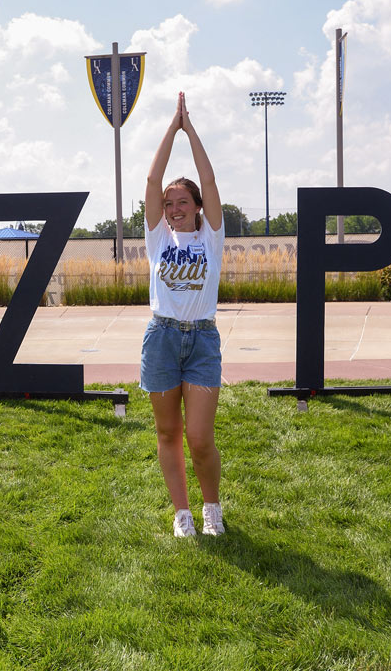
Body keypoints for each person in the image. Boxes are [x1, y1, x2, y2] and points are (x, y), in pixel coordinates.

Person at [142, 91, 226, 537]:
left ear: (196, 207)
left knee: (199, 436)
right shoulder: (159, 239)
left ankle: (211, 508)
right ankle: (183, 513)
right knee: (168, 433)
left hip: (202, 341)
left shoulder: (211, 238)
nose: (174, 209)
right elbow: (151, 179)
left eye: (182, 203)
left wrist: (189, 130)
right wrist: (168, 129)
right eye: (169, 204)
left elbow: (210, 183)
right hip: (161, 338)